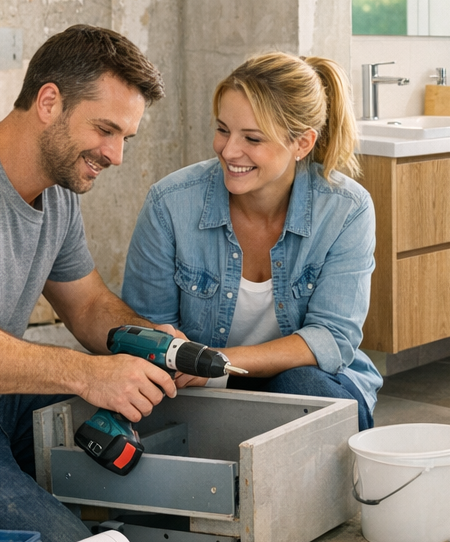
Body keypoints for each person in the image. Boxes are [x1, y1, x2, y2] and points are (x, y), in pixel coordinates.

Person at [0, 25, 179, 542]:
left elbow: (90, 305)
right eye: (105, 130)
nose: (116, 155)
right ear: (49, 101)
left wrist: (160, 346)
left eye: (125, 137)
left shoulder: (57, 192)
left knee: (137, 402)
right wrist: (89, 374)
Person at [122, 52, 382, 430]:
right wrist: (169, 351)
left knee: (302, 388)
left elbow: (332, 338)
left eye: (252, 138)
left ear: (302, 143)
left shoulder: (346, 209)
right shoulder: (171, 204)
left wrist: (218, 361)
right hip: (198, 387)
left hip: (309, 382)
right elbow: (149, 328)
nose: (228, 151)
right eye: (223, 129)